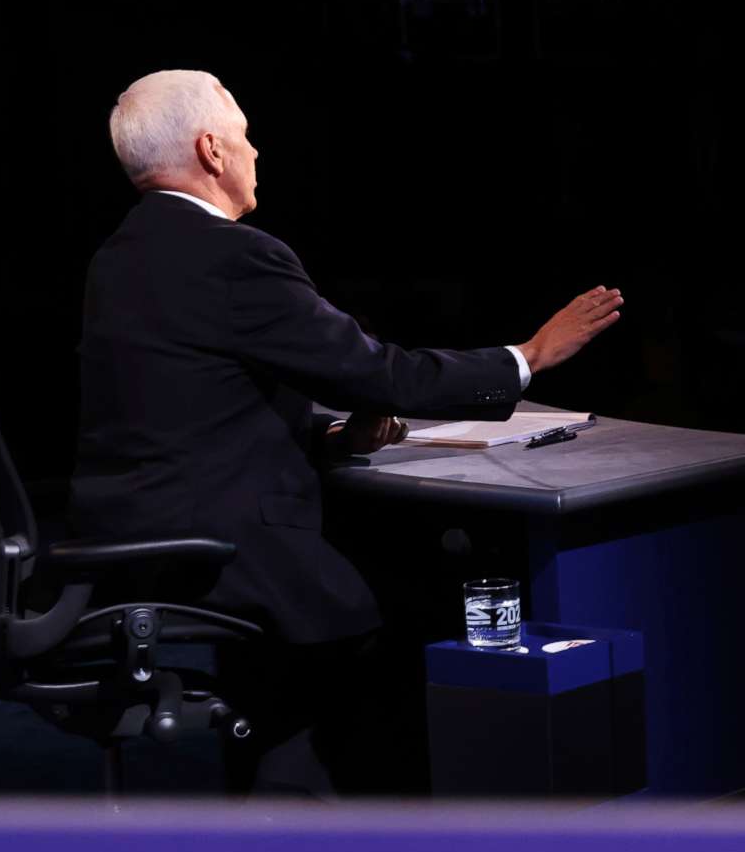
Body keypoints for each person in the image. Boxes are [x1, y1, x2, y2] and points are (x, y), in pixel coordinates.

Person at [72, 68, 624, 793]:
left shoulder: (117, 259)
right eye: (244, 132)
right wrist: (528, 357)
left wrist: (332, 443)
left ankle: (285, 811)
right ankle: (387, 836)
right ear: (211, 150)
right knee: (419, 605)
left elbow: (186, 414)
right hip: (217, 549)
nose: (255, 150)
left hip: (131, 543)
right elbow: (380, 375)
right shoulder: (235, 256)